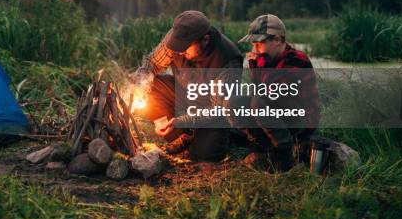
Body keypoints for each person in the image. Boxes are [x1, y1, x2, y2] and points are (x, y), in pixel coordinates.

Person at [131, 10, 243, 161]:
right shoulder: (177, 39)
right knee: (153, 86)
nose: (180, 51)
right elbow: (152, 63)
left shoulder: (227, 60)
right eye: (178, 46)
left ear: (205, 39)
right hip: (185, 93)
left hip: (211, 110)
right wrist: (140, 83)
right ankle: (181, 134)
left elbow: (217, 110)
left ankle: (233, 135)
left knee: (205, 155)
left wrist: (183, 120)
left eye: (186, 47)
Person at [235, 14, 320, 171]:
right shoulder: (268, 59)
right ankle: (262, 148)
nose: (255, 50)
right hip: (278, 114)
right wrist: (256, 65)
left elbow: (271, 92)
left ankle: (285, 153)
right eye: (253, 45)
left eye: (259, 44)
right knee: (235, 102)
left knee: (258, 101)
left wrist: (258, 63)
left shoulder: (297, 59)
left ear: (278, 40)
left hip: (302, 120)